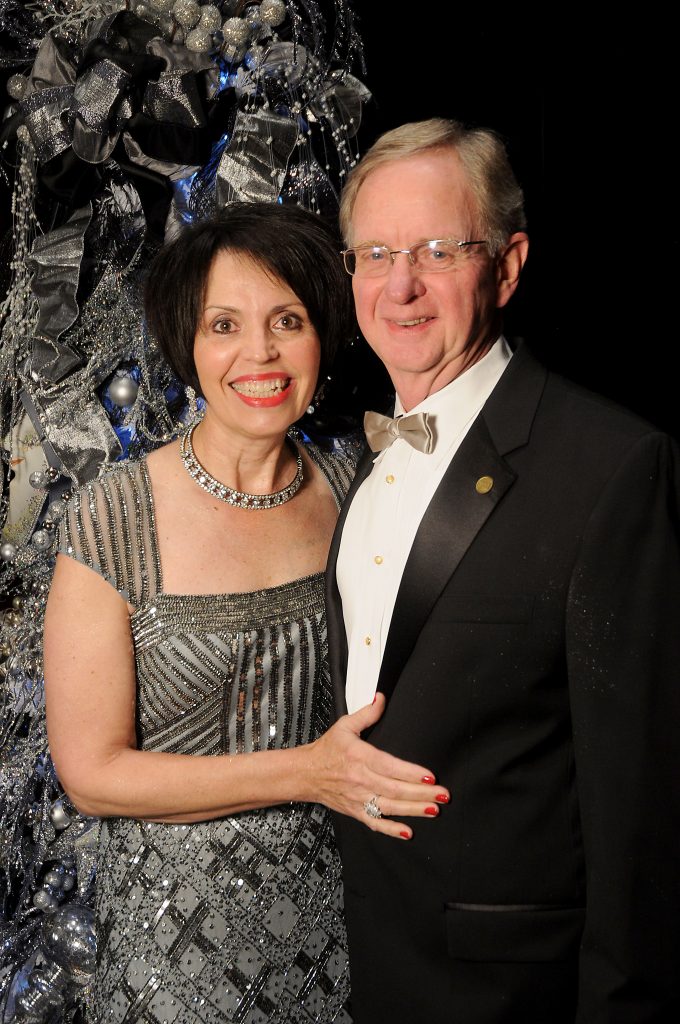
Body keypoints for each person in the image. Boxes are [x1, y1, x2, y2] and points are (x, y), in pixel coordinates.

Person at [43, 201, 449, 1024]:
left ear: (323, 335)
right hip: (174, 963)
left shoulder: (356, 490)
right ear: (188, 348)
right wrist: (308, 772)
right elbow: (91, 774)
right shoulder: (113, 519)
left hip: (354, 933)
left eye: (286, 321)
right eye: (223, 324)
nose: (257, 354)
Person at [325, 118, 680, 1023]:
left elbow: (640, 811)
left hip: (509, 988)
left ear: (509, 266)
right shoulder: (349, 469)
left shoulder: (608, 467)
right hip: (354, 967)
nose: (399, 286)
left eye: (438, 250)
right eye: (375, 253)